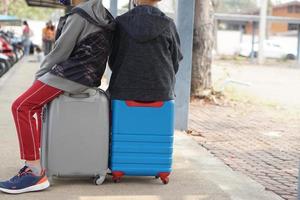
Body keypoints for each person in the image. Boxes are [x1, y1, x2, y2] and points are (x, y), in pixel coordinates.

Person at [0, 0, 115, 194]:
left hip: (70, 74)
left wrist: (38, 78)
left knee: (22, 106)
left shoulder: (80, 15)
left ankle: (34, 172)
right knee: (28, 105)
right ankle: (33, 163)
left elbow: (59, 53)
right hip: (89, 76)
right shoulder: (103, 14)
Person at [108, 0, 183, 102]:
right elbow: (175, 61)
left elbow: (113, 60)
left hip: (123, 91)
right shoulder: (168, 24)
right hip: (161, 92)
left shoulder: (120, 22)